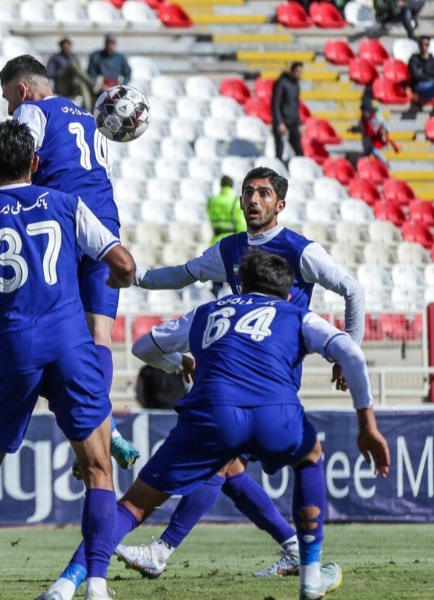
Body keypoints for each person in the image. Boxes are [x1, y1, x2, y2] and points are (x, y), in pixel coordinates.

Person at [44, 250, 390, 600]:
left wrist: (181, 362)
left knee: (132, 506)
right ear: (286, 295)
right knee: (310, 454)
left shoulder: (207, 312)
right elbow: (351, 353)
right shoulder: (297, 313)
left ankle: (69, 582)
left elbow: (143, 346)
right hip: (273, 411)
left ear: (240, 287)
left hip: (211, 415)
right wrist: (367, 423)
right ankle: (311, 574)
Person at [113, 166, 367, 579]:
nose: (253, 200)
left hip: (271, 378)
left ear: (280, 204)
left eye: (264, 193)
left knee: (220, 464)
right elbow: (184, 274)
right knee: (229, 470)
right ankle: (294, 551)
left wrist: (346, 352)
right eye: (248, 192)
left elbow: (352, 289)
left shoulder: (300, 249)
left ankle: (161, 550)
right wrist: (136, 276)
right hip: (236, 375)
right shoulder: (230, 248)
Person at [0, 119, 136, 600]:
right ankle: (98, 585)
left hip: (13, 350)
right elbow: (122, 264)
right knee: (98, 469)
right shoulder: (67, 204)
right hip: (70, 346)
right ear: (36, 163)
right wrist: (118, 283)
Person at [0, 54, 142, 477]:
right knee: (99, 334)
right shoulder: (89, 117)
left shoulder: (32, 110)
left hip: (61, 222)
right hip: (104, 222)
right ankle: (106, 429)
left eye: (9, 100)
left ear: (23, 90)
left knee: (54, 323)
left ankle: (101, 424)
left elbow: (16, 155)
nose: (10, 110)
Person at [206, 175, 246, 296]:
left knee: (216, 279)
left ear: (221, 185)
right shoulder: (235, 201)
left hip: (215, 241)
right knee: (235, 278)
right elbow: (241, 224)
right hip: (232, 244)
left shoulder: (212, 201)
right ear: (231, 185)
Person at [46, 38, 96, 110]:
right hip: (62, 86)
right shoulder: (55, 58)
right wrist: (62, 72)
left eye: (68, 47)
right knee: (72, 65)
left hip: (73, 85)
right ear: (61, 47)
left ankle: (87, 109)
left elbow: (80, 72)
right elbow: (49, 73)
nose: (67, 48)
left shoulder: (74, 57)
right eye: (65, 47)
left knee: (82, 84)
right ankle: (91, 82)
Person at [271, 62, 304, 163]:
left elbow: (296, 104)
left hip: (293, 121)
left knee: (299, 151)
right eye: (297, 71)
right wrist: (279, 122)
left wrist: (299, 123)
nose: (299, 74)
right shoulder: (281, 83)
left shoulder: (296, 84)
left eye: (301, 72)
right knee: (280, 152)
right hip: (282, 121)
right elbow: (275, 104)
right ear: (292, 71)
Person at [408, 36, 434, 102]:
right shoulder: (413, 59)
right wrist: (430, 75)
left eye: (426, 44)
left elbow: (420, 75)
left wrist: (423, 73)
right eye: (421, 44)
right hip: (419, 85)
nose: (424, 46)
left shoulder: (432, 60)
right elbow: (415, 75)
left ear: (429, 45)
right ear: (418, 45)